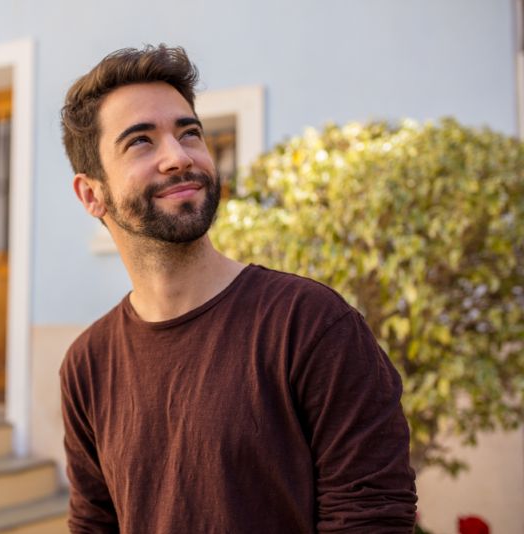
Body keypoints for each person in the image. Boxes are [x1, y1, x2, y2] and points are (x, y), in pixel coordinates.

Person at [59, 44, 417, 533]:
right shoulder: (87, 365)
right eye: (141, 142)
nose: (178, 157)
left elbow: (371, 517)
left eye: (189, 134)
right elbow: (94, 524)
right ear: (91, 194)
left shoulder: (311, 326)